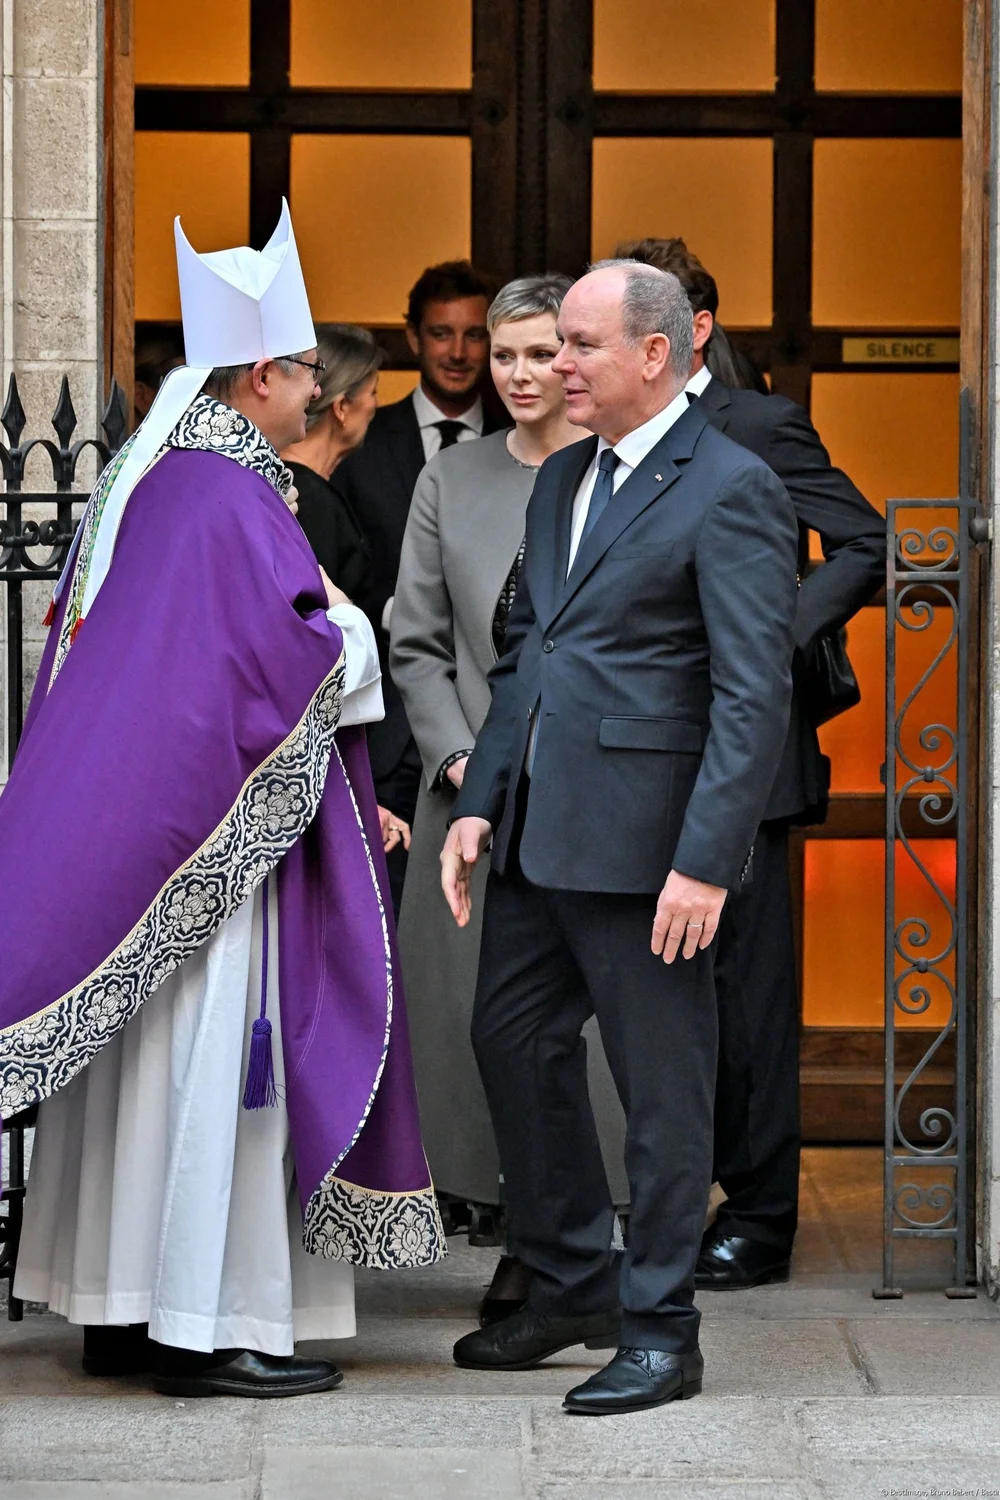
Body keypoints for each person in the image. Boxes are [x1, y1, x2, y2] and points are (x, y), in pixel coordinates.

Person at [0, 202, 444, 1400]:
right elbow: (285, 658)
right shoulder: (225, 492)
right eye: (303, 371)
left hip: (158, 841)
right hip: (212, 861)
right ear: (259, 376)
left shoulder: (165, 479)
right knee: (208, 1080)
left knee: (132, 1087)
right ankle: (203, 1326)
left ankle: (121, 1311)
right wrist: (355, 632)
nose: (316, 393)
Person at [441, 261, 798, 1414]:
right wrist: (482, 800)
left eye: (579, 346)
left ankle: (660, 1331)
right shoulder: (563, 479)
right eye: (554, 346)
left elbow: (752, 694)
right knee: (511, 1041)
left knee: (661, 1093)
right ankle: (569, 1284)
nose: (557, 367)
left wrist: (704, 861)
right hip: (538, 835)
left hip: (651, 853)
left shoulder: (731, 485)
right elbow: (528, 657)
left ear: (656, 352)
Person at [619, 236, 886, 1289]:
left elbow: (864, 541)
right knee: (657, 991)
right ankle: (666, 1201)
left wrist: (770, 633)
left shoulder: (760, 426)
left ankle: (763, 1215)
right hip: (636, 755)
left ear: (694, 327)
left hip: (750, 758)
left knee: (750, 996)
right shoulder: (601, 433)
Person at [390, 274, 628, 1316]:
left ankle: (575, 1235)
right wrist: (457, 760)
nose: (521, 374)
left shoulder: (616, 471)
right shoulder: (451, 478)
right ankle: (508, 1227)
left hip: (590, 799)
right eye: (504, 356)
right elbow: (415, 640)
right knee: (472, 1025)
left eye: (541, 353)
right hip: (469, 805)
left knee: (583, 1035)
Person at [330, 261, 510, 914]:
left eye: (474, 334)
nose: (458, 352)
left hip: (496, 722)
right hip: (386, 728)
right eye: (441, 333)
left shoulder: (528, 437)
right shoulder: (360, 440)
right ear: (413, 338)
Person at [281, 325, 410, 860]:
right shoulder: (305, 501)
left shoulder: (315, 491)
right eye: (372, 392)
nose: (376, 406)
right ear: (341, 407)